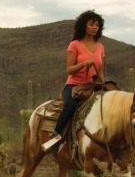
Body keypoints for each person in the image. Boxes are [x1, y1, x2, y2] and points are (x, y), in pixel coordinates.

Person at [42, 10, 105, 151]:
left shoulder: (100, 47)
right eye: (91, 24)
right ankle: (56, 135)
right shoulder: (74, 45)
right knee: (70, 105)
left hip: (92, 86)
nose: (95, 27)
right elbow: (69, 70)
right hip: (74, 85)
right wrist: (82, 65)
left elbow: (100, 71)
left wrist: (103, 86)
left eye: (97, 25)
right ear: (84, 26)